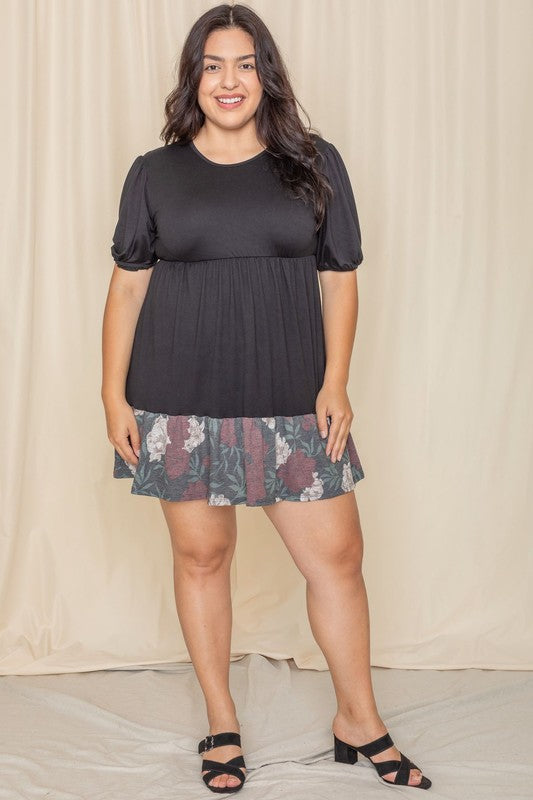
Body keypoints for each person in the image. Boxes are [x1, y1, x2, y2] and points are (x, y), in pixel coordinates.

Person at [101, 2, 431, 794]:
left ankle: (359, 718)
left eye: (244, 63)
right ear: (193, 78)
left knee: (338, 562)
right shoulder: (155, 172)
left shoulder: (314, 163)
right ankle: (221, 720)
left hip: (292, 399)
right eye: (212, 65)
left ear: (266, 75)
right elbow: (125, 287)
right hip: (176, 401)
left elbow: (341, 276)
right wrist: (112, 396)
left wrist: (335, 381)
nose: (228, 80)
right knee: (202, 558)